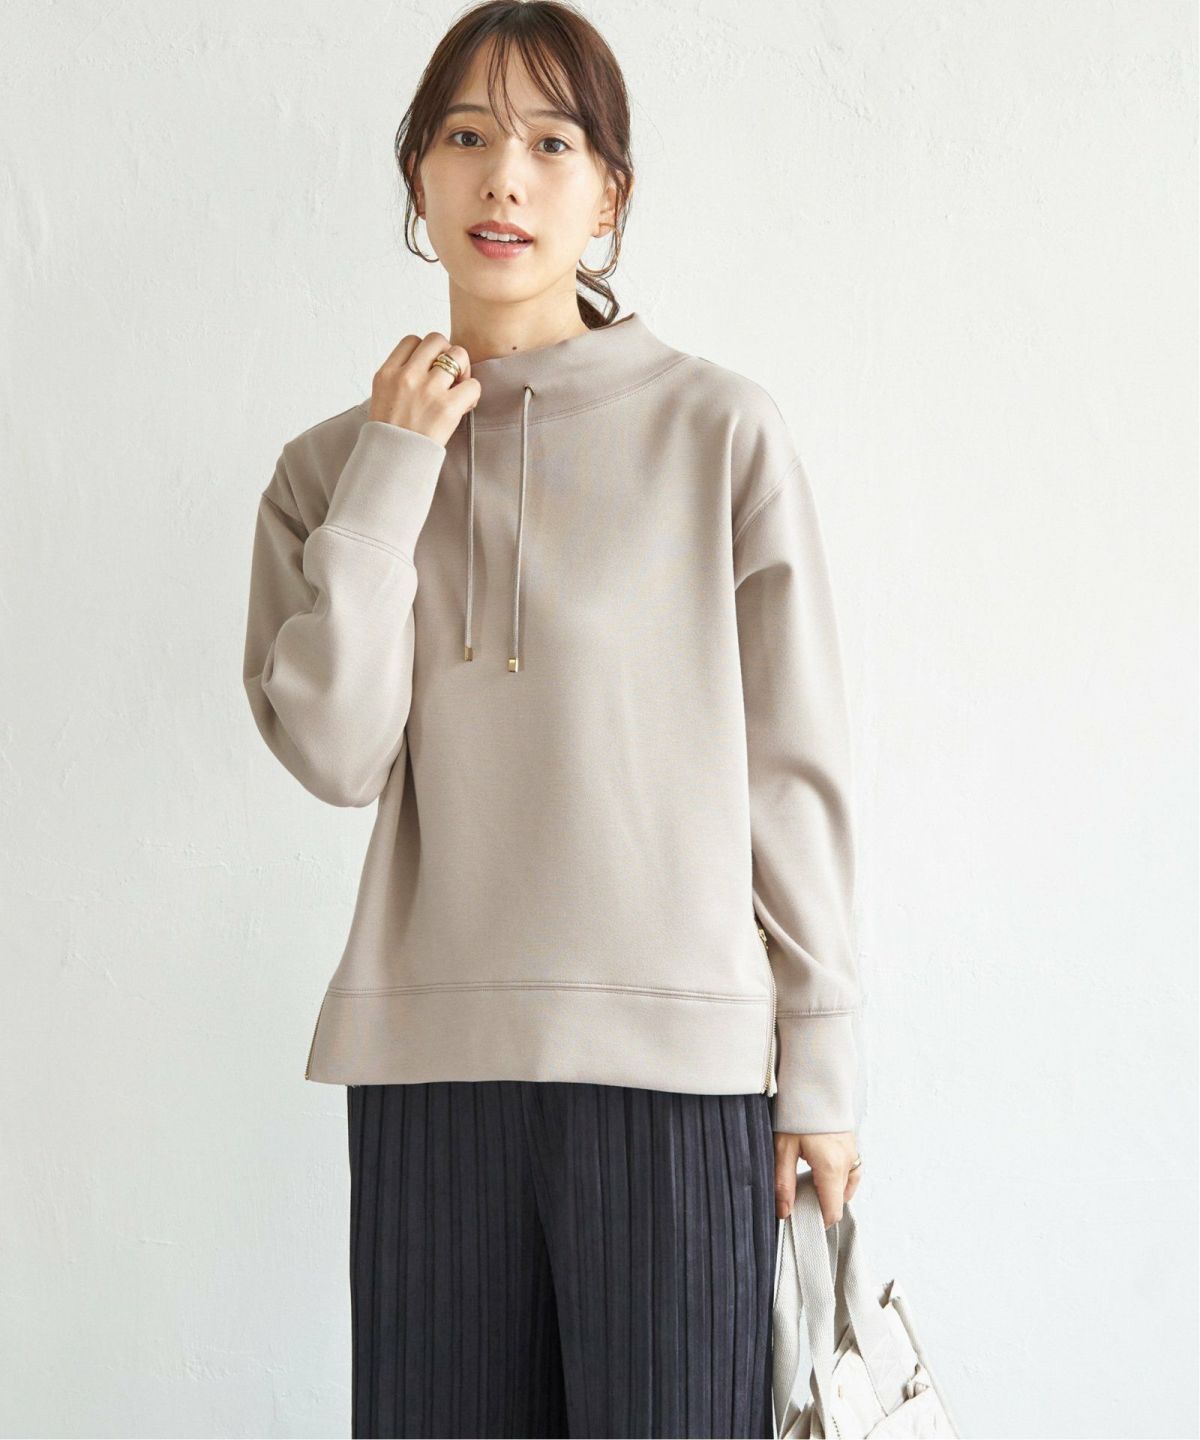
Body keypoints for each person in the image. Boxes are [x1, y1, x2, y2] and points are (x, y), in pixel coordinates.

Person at [241, 2, 865, 1435]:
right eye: (465, 137)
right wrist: (397, 466)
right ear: (418, 177)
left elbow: (796, 771)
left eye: (550, 143)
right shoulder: (328, 470)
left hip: (677, 1079)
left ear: (610, 194)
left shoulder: (719, 432)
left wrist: (823, 1064)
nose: (504, 179)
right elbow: (334, 753)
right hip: (430, 1070)